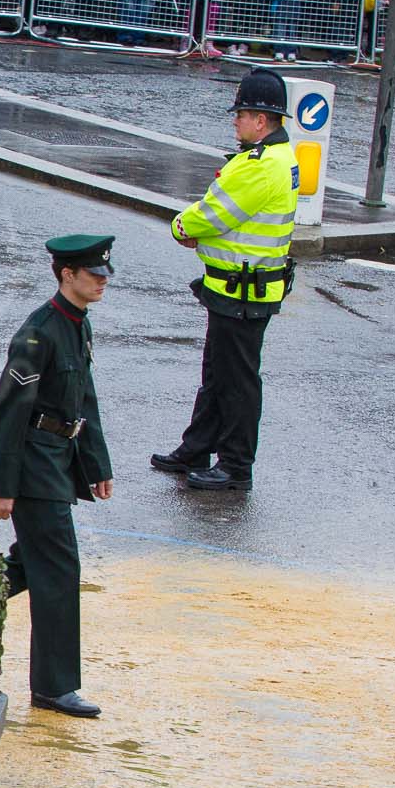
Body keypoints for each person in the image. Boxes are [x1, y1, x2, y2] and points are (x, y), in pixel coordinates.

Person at [0, 234, 115, 720]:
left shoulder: (76, 325)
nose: (102, 282)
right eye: (94, 275)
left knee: (32, 563)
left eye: (105, 275)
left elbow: (85, 398)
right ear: (67, 275)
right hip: (34, 467)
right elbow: (9, 413)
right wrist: (3, 486)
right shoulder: (37, 334)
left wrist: (97, 464)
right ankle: (54, 688)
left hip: (58, 459)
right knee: (58, 570)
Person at [153, 69, 297, 493]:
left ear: (261, 119)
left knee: (237, 382)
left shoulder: (259, 167)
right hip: (236, 286)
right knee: (218, 374)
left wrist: (181, 226)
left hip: (243, 290)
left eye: (242, 114)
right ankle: (197, 448)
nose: (235, 120)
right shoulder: (271, 157)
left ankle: (235, 465)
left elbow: (213, 214)